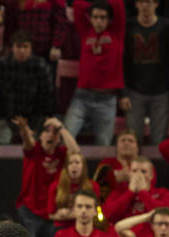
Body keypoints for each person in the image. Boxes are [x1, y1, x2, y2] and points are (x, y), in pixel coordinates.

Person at [64, 0, 126, 145]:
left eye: (103, 17)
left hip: (106, 99)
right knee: (66, 139)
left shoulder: (117, 33)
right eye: (95, 17)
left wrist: (100, 5)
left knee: (103, 145)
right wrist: (95, 6)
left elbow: (117, 4)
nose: (99, 21)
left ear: (110, 20)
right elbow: (78, 5)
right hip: (82, 97)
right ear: (90, 18)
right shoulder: (86, 32)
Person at [14, 117, 79, 237]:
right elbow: (27, 141)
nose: (51, 135)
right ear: (40, 136)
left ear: (59, 138)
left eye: (55, 132)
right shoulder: (34, 151)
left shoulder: (61, 154)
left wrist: (61, 127)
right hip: (29, 211)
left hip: (51, 213)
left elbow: (76, 152)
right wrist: (24, 128)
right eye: (47, 131)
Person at [120, 0, 169, 145]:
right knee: (134, 138)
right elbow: (122, 61)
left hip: (161, 90)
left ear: (156, 4)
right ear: (136, 4)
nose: (145, 6)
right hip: (134, 90)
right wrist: (124, 92)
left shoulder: (167, 26)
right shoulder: (128, 26)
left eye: (149, 2)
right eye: (142, 2)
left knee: (159, 140)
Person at [0, 31, 55, 144]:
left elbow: (47, 96)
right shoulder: (1, 65)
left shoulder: (40, 65)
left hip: (34, 119)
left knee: (39, 142)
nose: (22, 50)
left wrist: (35, 120)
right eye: (18, 46)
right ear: (12, 48)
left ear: (31, 48)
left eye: (25, 47)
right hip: (7, 117)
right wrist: (3, 115)